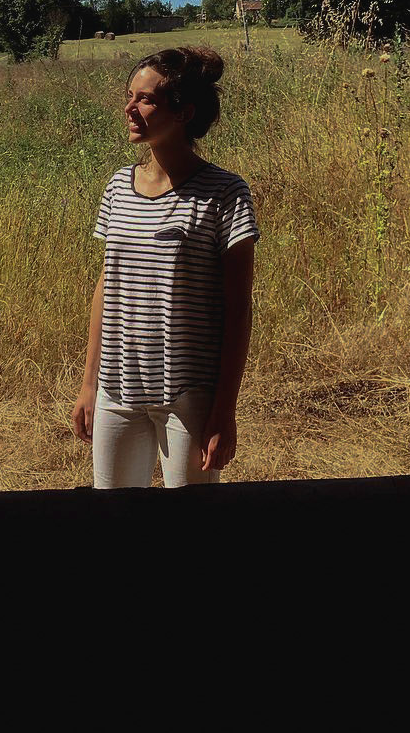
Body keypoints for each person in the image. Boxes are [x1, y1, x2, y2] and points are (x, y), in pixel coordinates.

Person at [71, 45, 260, 488]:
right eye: (129, 96)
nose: (130, 108)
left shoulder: (225, 193)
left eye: (146, 99)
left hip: (189, 394)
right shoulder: (118, 186)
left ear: (183, 113)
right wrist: (89, 384)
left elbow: (238, 310)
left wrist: (224, 410)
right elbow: (107, 285)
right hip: (117, 389)